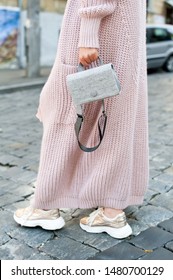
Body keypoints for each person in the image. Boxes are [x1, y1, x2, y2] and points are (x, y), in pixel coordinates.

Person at [13, 0, 148, 239]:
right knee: (116, 121)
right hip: (121, 35)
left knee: (64, 116)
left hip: (98, 35)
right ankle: (111, 210)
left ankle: (45, 206)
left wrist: (87, 34)